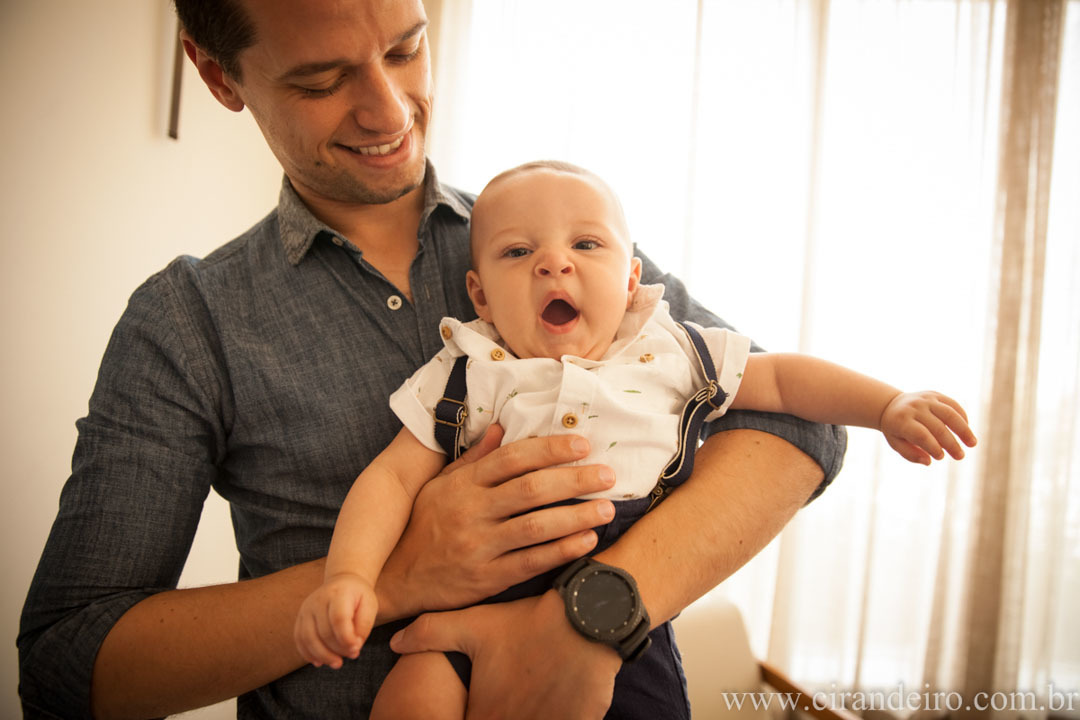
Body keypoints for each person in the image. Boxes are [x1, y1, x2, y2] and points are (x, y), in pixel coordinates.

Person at [17, 1, 847, 718]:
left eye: (407, 48)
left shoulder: (551, 237)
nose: (389, 112)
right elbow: (67, 662)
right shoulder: (189, 322)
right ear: (219, 74)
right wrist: (399, 575)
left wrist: (592, 617)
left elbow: (802, 427)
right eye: (320, 79)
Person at [293, 161, 976, 719]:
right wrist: (349, 577)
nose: (552, 265)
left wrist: (888, 403)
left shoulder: (669, 349)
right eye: (518, 251)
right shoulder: (472, 366)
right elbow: (390, 478)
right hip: (469, 604)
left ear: (630, 279)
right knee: (413, 696)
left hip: (621, 604)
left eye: (585, 245)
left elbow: (787, 385)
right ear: (479, 294)